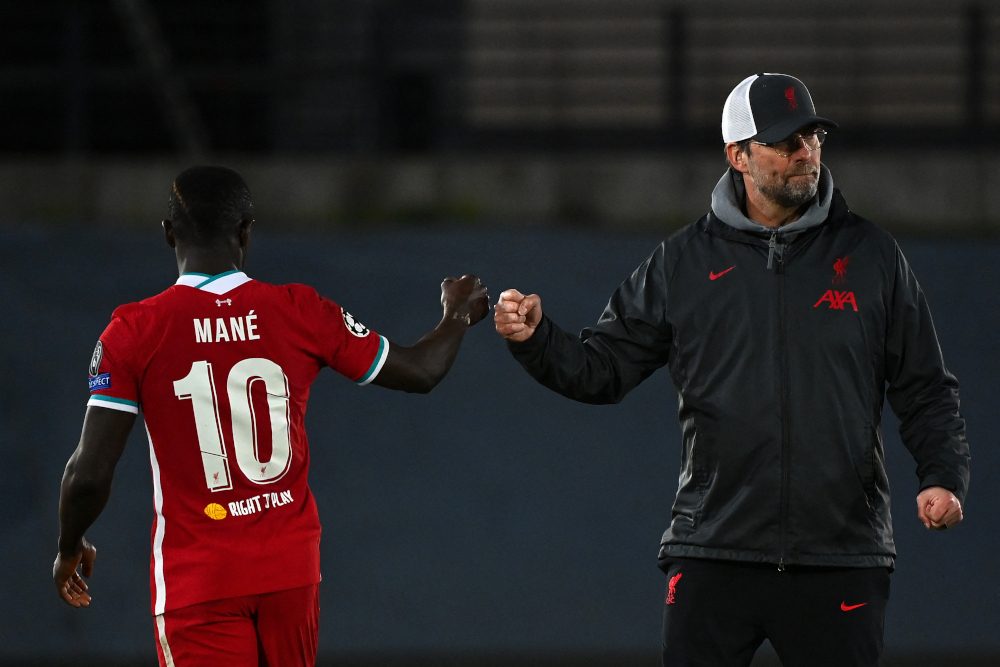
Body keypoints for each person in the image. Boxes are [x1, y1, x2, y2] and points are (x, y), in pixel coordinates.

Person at [494, 73, 969, 667]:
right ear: (737, 155)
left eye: (813, 136)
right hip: (714, 550)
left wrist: (943, 476)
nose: (805, 152)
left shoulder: (873, 257)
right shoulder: (682, 263)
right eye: (785, 141)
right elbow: (601, 369)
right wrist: (536, 338)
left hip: (841, 556)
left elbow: (925, 387)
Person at [54, 166, 489, 666]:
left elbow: (88, 474)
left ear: (169, 233)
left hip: (200, 578)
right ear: (246, 232)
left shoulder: (132, 331)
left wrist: (70, 545)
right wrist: (457, 314)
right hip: (290, 573)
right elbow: (419, 370)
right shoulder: (300, 309)